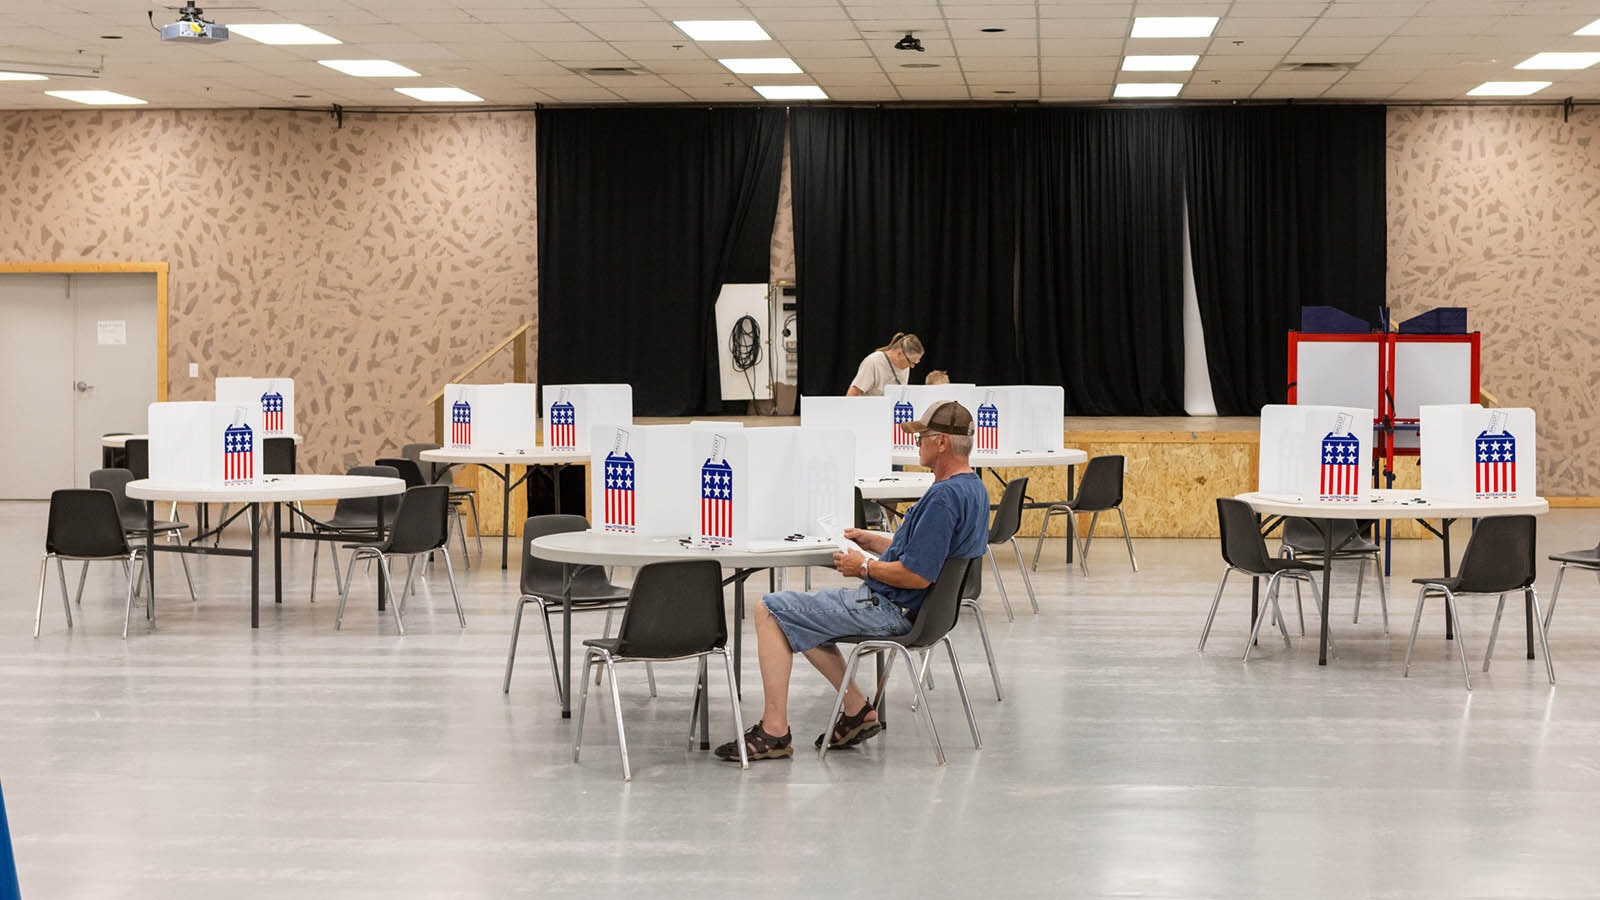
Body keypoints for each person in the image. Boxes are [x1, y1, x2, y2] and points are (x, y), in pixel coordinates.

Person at [715, 400, 991, 761]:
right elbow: (930, 553)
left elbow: (917, 576)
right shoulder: (974, 490)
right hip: (928, 615)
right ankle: (857, 709)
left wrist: (863, 568)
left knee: (770, 609)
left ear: (941, 443)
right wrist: (873, 541)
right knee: (798, 617)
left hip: (894, 609)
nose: (916, 443)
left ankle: (774, 730)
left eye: (922, 436)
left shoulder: (942, 497)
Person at [846, 332, 924, 396]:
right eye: (911, 362)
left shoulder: (905, 367)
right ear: (899, 353)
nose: (912, 366)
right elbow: (853, 392)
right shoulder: (874, 362)